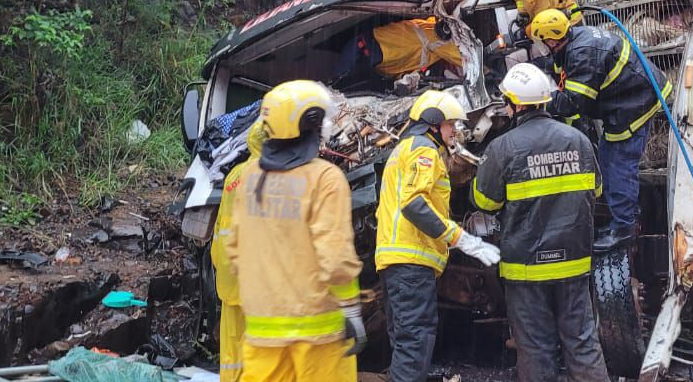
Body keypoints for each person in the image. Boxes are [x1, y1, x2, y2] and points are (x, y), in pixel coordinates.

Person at [472, 63, 608, 381]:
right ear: (546, 100)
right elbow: (597, 191)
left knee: (535, 349)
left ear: (516, 104)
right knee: (583, 344)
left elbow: (484, 203)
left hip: (525, 268)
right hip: (573, 264)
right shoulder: (579, 141)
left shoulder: (502, 148)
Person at [225, 80, 364, 382]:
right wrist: (351, 308)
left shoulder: (249, 178)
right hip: (318, 337)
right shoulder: (326, 179)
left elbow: (235, 251)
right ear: (310, 123)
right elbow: (336, 258)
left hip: (262, 335)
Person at [375, 90, 502, 382]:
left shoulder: (403, 150)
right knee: (416, 344)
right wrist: (460, 238)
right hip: (411, 263)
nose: (454, 131)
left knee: (405, 343)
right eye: (450, 125)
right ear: (433, 123)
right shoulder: (424, 151)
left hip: (397, 263)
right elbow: (414, 205)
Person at [529, 8, 672, 250]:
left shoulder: (583, 54)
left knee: (616, 162)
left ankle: (624, 228)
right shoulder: (572, 40)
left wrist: (537, 99)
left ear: (553, 40)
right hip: (630, 93)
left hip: (636, 101)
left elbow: (574, 103)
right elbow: (562, 69)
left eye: (543, 42)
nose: (542, 46)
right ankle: (623, 216)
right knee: (609, 158)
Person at [210, 120, 264, 381]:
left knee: (231, 352)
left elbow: (220, 225)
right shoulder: (273, 177)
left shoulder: (234, 175)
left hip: (229, 277)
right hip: (256, 281)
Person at [334, 17, 464, 88]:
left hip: (376, 56)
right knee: (339, 84)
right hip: (372, 48)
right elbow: (464, 59)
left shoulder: (427, 26)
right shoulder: (439, 36)